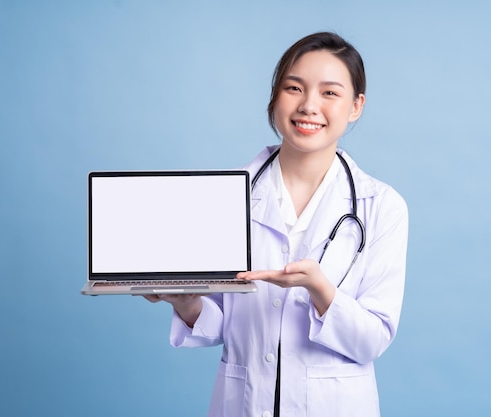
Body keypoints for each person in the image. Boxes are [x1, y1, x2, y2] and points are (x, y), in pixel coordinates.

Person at [144, 31, 409, 417]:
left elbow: (373, 340)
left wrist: (321, 290)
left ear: (356, 106)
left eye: (330, 93)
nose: (308, 106)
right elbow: (216, 326)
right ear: (274, 97)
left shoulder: (382, 207)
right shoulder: (224, 196)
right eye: (294, 87)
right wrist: (187, 301)